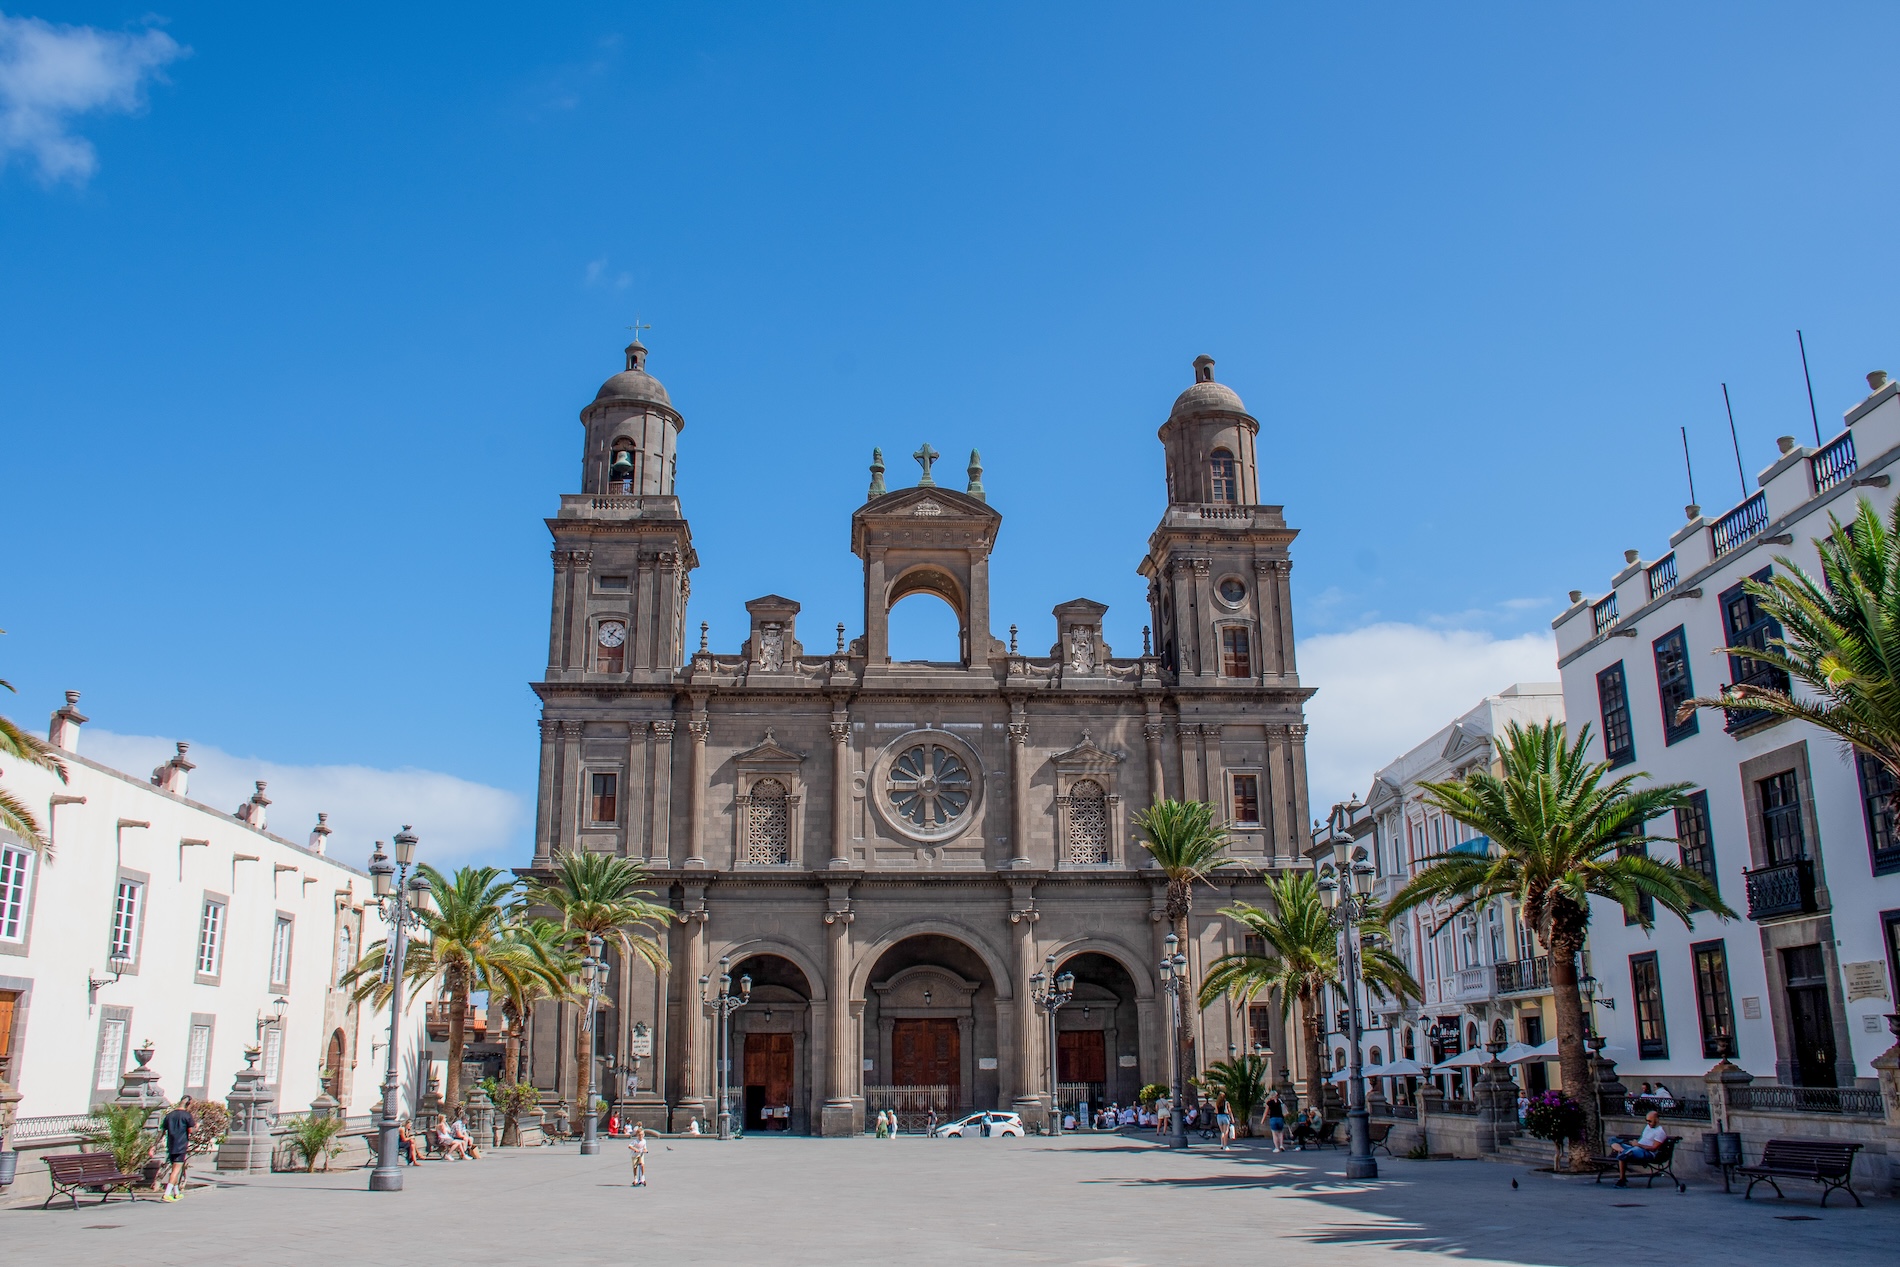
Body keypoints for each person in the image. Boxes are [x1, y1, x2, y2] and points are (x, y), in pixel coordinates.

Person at [1608, 1111, 1668, 1187]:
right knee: (1612, 1140)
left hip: (1646, 1152)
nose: (1648, 1123)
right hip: (1636, 1147)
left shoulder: (1660, 1132)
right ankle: (1623, 1151)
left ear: (1657, 1120)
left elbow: (1653, 1148)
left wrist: (1638, 1144)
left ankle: (1622, 1178)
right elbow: (1642, 1139)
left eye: (1650, 1121)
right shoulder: (1648, 1127)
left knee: (1632, 1151)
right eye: (1646, 1121)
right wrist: (1635, 1143)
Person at [156, 1095, 195, 1201]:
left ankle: (176, 1193)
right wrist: (197, 1127)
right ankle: (167, 1194)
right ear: (188, 1104)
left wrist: (154, 1146)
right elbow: (191, 1131)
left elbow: (162, 1132)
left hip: (171, 1145)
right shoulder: (187, 1116)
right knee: (176, 1171)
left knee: (175, 1169)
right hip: (181, 1145)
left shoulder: (169, 1115)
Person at [627, 1122, 649, 1187]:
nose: (641, 1136)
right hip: (634, 1155)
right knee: (635, 1167)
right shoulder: (635, 1141)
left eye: (642, 1135)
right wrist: (635, 1149)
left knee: (642, 1164)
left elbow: (645, 1148)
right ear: (637, 1135)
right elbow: (629, 1146)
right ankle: (635, 1178)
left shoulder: (644, 1141)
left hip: (641, 1154)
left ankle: (642, 1177)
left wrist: (645, 1150)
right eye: (639, 1135)